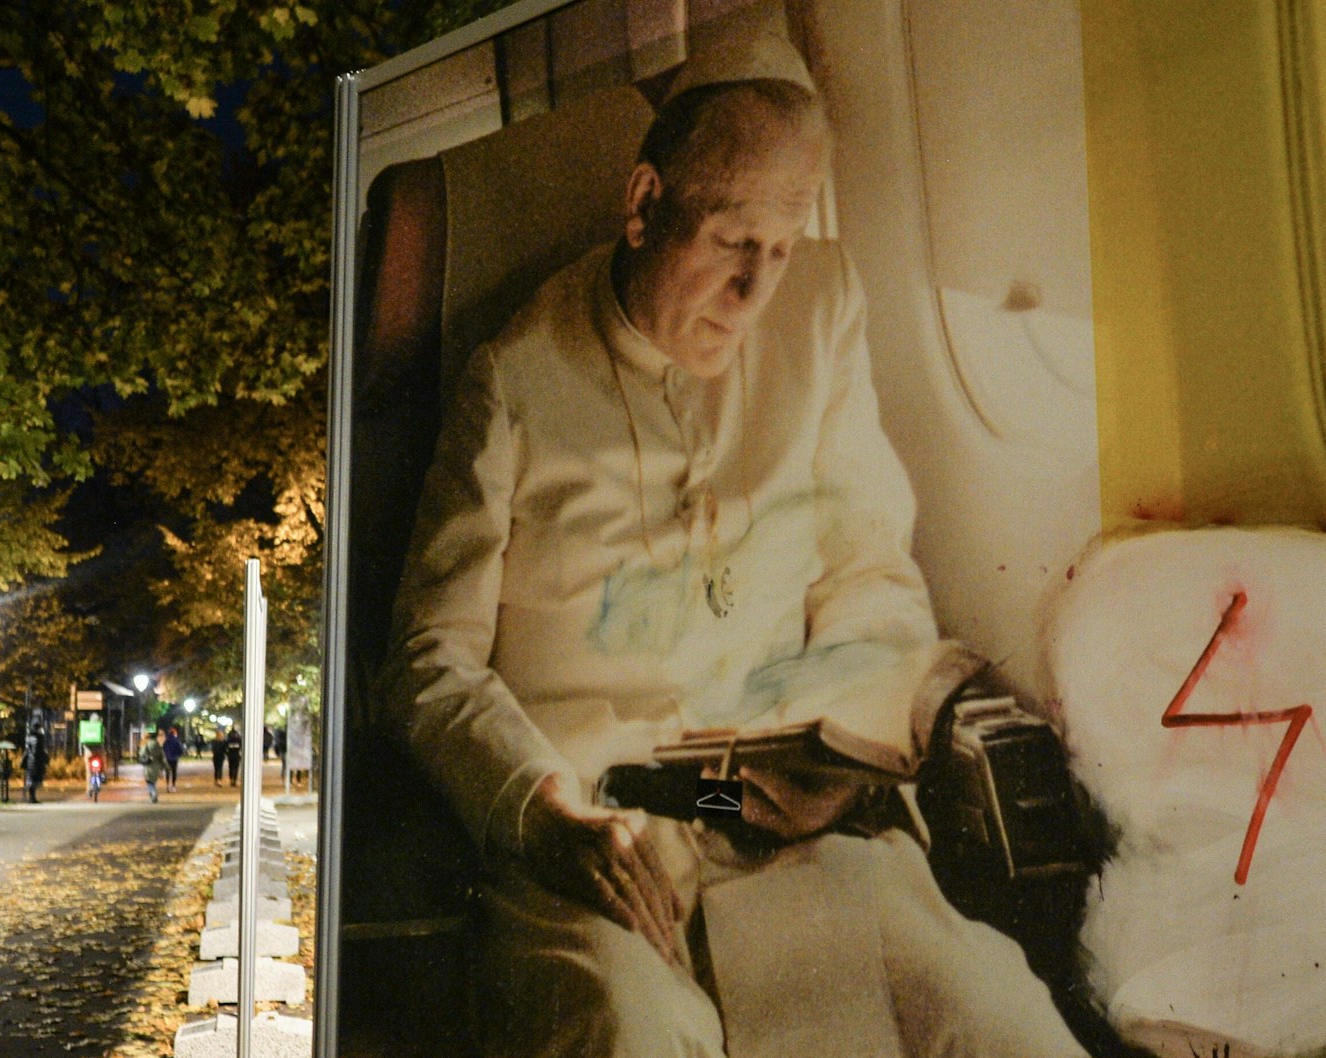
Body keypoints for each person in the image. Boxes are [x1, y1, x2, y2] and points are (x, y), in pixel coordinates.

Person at [380, 63, 1088, 1058]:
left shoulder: (821, 309)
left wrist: (845, 728)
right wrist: (538, 811)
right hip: (596, 821)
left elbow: (866, 571)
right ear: (642, 207)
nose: (756, 289)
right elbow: (426, 660)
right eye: (728, 244)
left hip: (757, 809)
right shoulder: (513, 379)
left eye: (780, 247)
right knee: (629, 1028)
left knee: (990, 1011)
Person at [21, 722, 48, 804]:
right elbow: (37, 751)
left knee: (31, 779)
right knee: (35, 779)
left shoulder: (29, 738)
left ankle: (31, 797)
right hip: (36, 762)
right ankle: (32, 798)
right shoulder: (39, 738)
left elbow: (28, 750)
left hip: (29, 761)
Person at [161, 726, 183, 791]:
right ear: (174, 733)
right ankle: (173, 785)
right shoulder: (176, 740)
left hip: (167, 758)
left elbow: (163, 749)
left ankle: (167, 785)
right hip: (174, 758)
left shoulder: (166, 741)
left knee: (167, 772)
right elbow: (180, 749)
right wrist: (178, 754)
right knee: (174, 772)